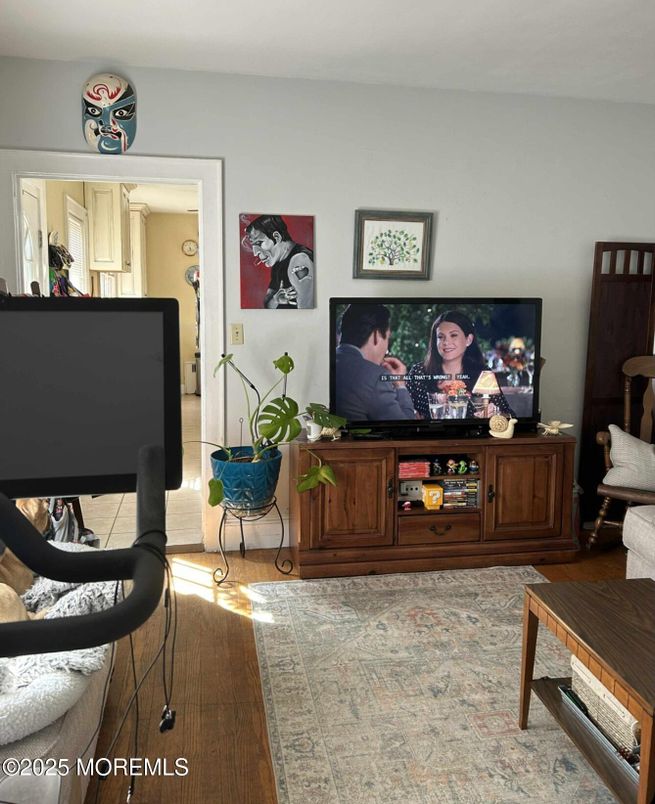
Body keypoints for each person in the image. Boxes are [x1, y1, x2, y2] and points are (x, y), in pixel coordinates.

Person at [406, 310, 514, 419]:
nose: (446, 342)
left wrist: (496, 414)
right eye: (440, 337)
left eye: (453, 335)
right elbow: (403, 411)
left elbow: (510, 417)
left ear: (468, 340)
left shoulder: (483, 374)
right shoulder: (418, 372)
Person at [335, 303, 416, 421]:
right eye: (387, 338)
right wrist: (401, 385)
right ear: (376, 335)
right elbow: (406, 427)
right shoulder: (375, 377)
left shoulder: (329, 362)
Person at [244, 215, 313, 309]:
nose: (255, 253)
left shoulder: (300, 260)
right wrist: (276, 300)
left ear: (277, 237)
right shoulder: (278, 262)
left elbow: (307, 310)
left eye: (259, 243)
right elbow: (267, 304)